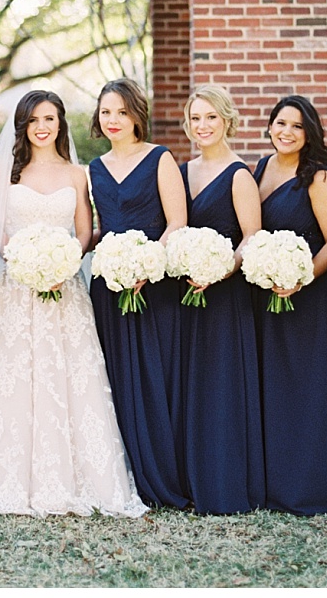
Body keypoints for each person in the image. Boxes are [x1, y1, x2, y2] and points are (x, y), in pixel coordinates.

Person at [0, 90, 147, 517]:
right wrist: (20, 257)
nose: (43, 127)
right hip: (13, 289)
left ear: (61, 123)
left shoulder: (77, 174)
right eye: (34, 120)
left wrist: (67, 259)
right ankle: (5, 480)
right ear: (22, 127)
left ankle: (74, 479)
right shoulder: (7, 173)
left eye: (50, 118)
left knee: (67, 380)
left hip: (65, 290)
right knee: (12, 379)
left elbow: (86, 232)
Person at [252, 95, 327, 515]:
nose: (286, 132)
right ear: (270, 126)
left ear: (308, 132)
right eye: (280, 123)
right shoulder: (260, 169)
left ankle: (313, 483)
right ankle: (273, 481)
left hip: (310, 298)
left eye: (296, 126)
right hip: (265, 295)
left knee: (307, 390)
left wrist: (300, 280)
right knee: (274, 390)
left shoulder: (319, 178)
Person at [87, 78, 188, 508]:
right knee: (116, 380)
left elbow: (177, 222)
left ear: (137, 115)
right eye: (106, 112)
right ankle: (123, 473)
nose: (113, 120)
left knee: (153, 378)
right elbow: (97, 227)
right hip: (109, 285)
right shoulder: (94, 167)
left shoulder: (160, 159)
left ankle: (163, 473)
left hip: (153, 285)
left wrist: (146, 266)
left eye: (122, 112)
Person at [177, 85, 266, 514]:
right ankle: (190, 479)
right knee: (190, 387)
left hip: (224, 296)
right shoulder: (181, 171)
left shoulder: (239, 175)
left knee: (221, 388)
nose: (203, 126)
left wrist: (217, 271)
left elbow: (251, 237)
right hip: (185, 294)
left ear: (227, 121)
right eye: (196, 118)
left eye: (211, 117)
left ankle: (225, 483)